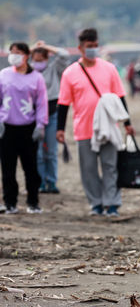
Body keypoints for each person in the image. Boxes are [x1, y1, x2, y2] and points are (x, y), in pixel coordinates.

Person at [57, 28, 135, 217]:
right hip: (84, 128)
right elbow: (63, 103)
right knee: (89, 169)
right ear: (80, 48)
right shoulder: (70, 73)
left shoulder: (109, 69)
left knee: (111, 166)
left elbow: (120, 97)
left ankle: (112, 203)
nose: (93, 49)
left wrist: (127, 123)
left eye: (95, 46)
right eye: (89, 46)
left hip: (109, 127)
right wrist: (60, 128)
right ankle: (96, 203)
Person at [0, 42, 48, 214]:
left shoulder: (36, 77)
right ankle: (10, 202)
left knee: (31, 168)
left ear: (27, 55)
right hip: (7, 128)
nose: (14, 55)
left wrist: (41, 124)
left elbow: (42, 103)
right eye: (12, 52)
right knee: (7, 168)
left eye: (18, 52)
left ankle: (33, 202)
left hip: (28, 128)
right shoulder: (4, 75)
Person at [31, 40, 70, 194]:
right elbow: (19, 55)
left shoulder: (55, 69)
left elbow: (64, 55)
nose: (38, 63)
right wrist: (33, 47)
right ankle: (40, 182)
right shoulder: (29, 71)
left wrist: (44, 46)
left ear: (47, 59)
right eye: (35, 60)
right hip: (34, 116)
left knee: (51, 152)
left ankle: (52, 182)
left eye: (41, 60)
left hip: (53, 112)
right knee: (38, 152)